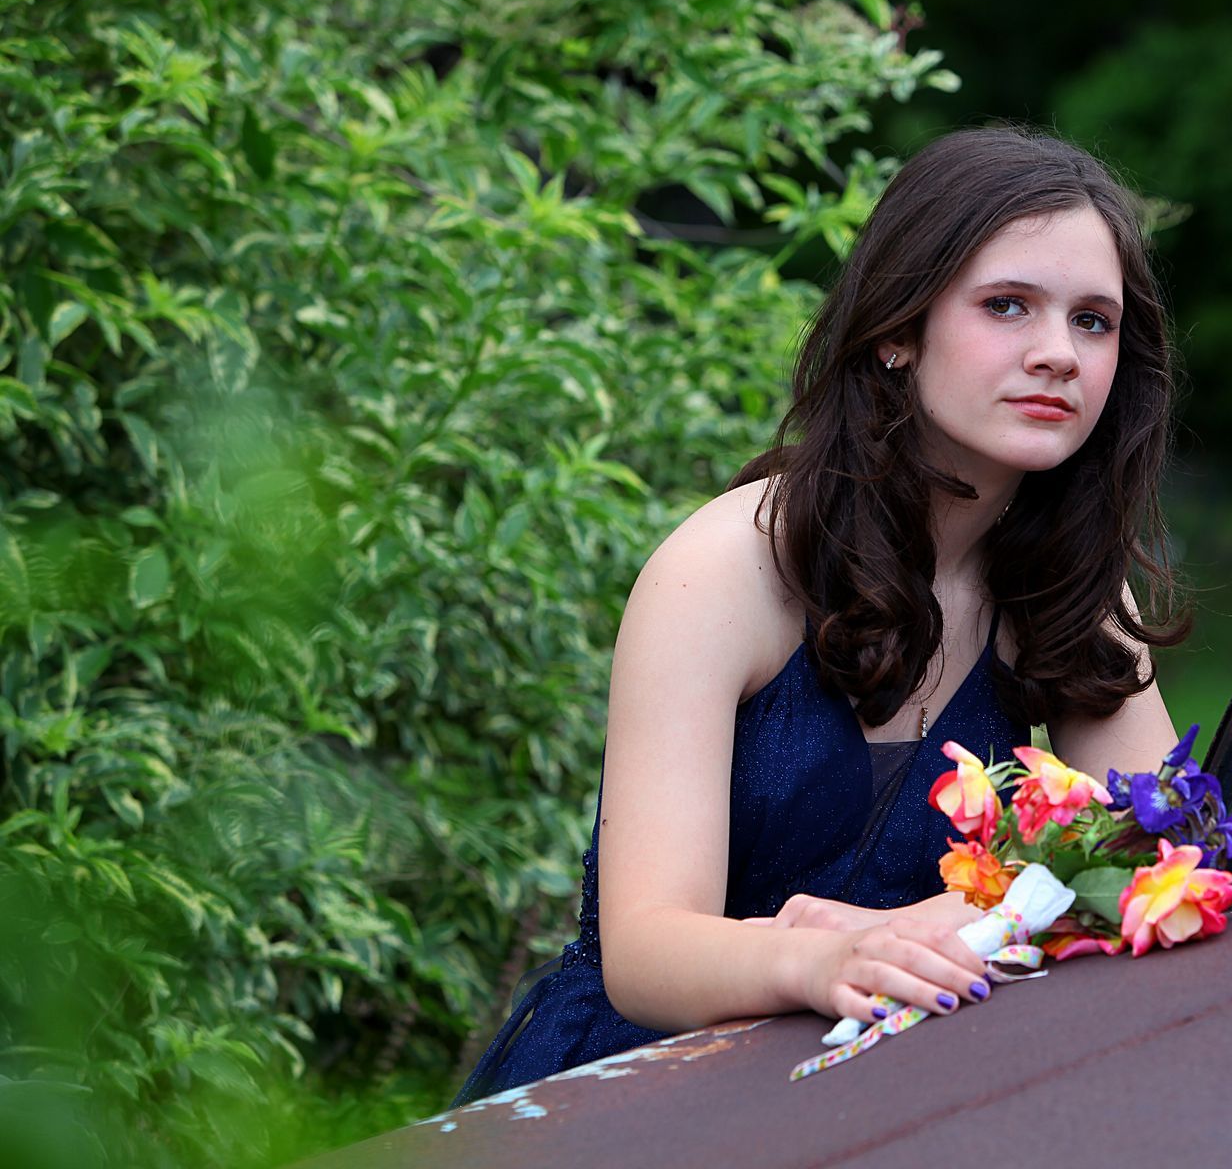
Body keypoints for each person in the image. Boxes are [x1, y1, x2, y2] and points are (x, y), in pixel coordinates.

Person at [454, 126, 1187, 1103]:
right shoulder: (726, 568)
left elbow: (1157, 849)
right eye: (1007, 306)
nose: (1057, 352)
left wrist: (967, 913)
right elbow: (644, 947)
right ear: (897, 329)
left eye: (1093, 321)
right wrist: (818, 957)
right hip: (636, 1092)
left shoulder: (1066, 581)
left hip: (884, 1083)